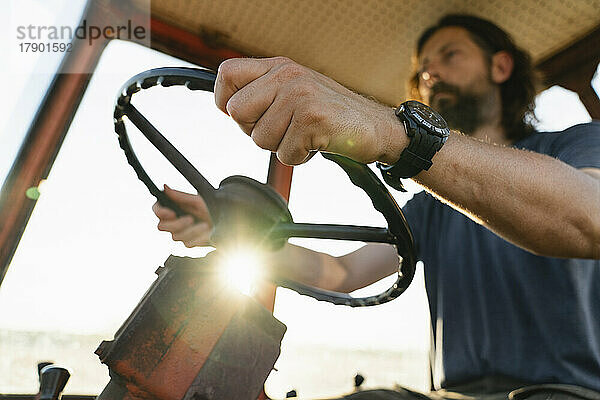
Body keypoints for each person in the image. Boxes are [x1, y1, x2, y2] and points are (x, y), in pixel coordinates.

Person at [152, 14, 600, 400]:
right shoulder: (433, 207)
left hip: (567, 392)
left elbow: (590, 214)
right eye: (423, 69)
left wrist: (395, 134)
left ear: (500, 66)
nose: (432, 74)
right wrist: (229, 232)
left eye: (449, 55)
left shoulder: (576, 146)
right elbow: (340, 275)